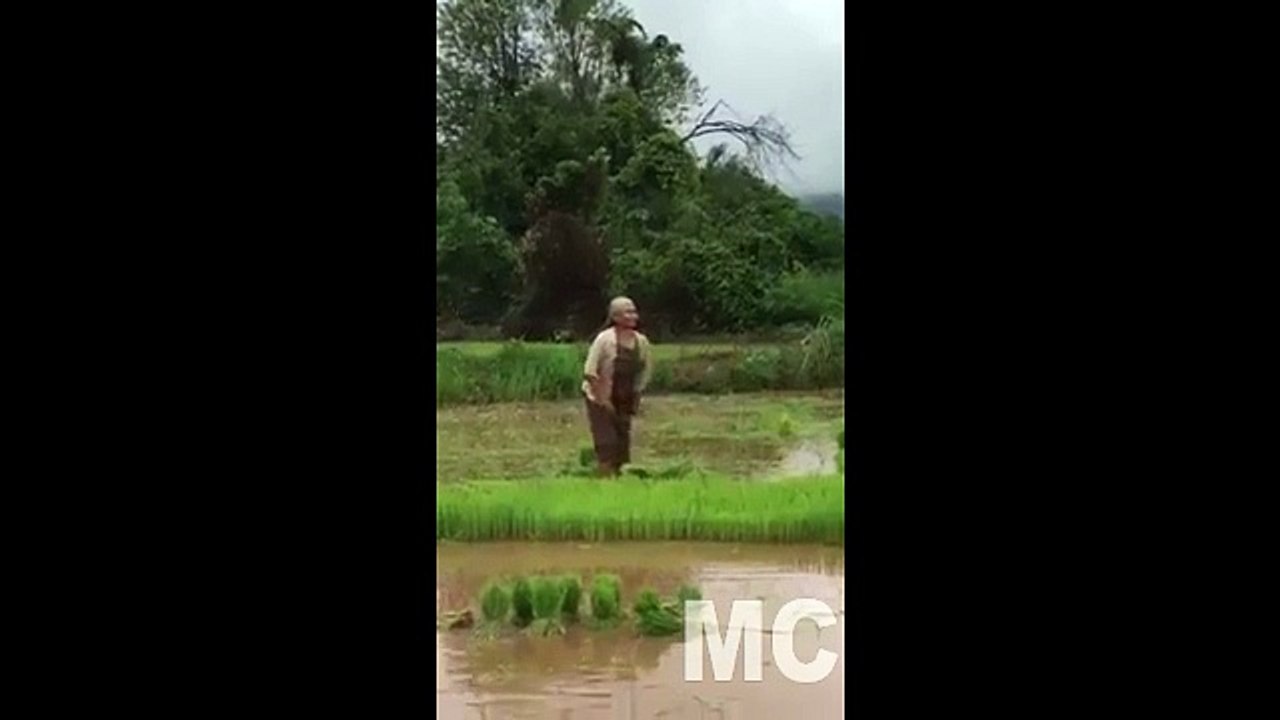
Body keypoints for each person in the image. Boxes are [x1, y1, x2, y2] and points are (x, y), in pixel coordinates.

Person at [582, 297, 653, 476]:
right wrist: (603, 400)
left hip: (624, 396)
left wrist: (636, 396)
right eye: (627, 312)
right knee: (607, 441)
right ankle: (604, 478)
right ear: (615, 317)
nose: (633, 316)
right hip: (599, 396)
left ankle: (620, 477)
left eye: (634, 311)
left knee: (622, 441)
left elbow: (644, 372)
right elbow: (590, 372)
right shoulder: (604, 340)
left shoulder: (641, 342)